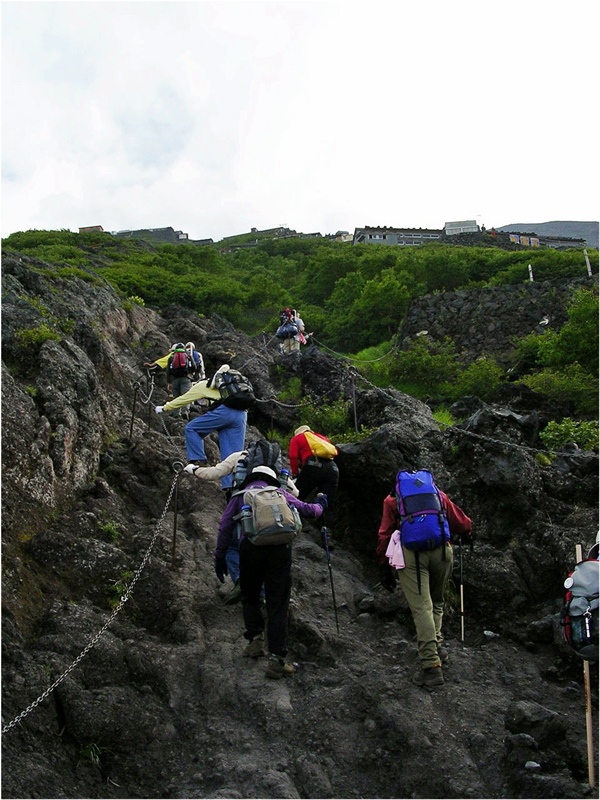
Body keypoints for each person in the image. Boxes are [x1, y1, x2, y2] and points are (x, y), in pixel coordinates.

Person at [214, 465, 327, 678]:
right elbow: (309, 510)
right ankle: (277, 660)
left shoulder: (240, 496)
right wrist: (322, 503)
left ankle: (254, 642)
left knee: (250, 596)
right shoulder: (280, 493)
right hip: (280, 552)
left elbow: (225, 527)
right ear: (271, 479)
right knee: (278, 604)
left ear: (250, 478)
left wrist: (220, 556)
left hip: (250, 549)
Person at [376, 475, 472, 688]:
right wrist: (468, 532)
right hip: (443, 552)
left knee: (421, 608)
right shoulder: (438, 495)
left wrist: (383, 563)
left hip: (415, 555)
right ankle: (436, 645)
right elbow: (461, 521)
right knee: (436, 602)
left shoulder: (392, 501)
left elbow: (385, 534)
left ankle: (431, 666)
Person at [185, 449, 299, 601]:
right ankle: (266, 594)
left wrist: (193, 469)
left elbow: (213, 473)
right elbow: (295, 493)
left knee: (233, 547)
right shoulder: (273, 464)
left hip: (242, 512)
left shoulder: (239, 457)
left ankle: (240, 580)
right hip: (272, 520)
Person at [155, 364, 247, 494]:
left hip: (224, 412)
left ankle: (198, 462)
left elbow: (183, 399)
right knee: (233, 456)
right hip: (242, 414)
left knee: (192, 428)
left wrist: (164, 408)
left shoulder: (202, 385)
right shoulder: (233, 386)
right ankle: (232, 490)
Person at [288, 425, 339, 546]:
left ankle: (297, 522)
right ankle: (327, 537)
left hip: (313, 465)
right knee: (327, 503)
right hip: (332, 468)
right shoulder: (322, 438)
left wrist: (295, 473)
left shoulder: (298, 438)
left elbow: (293, 456)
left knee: (297, 495)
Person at [165, 343, 195, 418]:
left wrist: (168, 382)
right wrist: (191, 374)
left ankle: (176, 414)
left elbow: (168, 371)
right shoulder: (187, 355)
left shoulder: (171, 357)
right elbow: (194, 366)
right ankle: (185, 412)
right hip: (186, 378)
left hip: (174, 380)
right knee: (185, 396)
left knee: (176, 397)